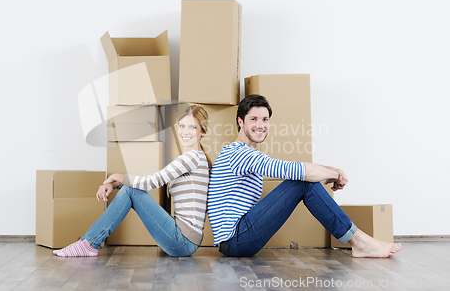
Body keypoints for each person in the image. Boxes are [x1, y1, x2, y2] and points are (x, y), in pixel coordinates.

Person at [207, 94, 402, 258]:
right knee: (303, 183)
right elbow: (297, 171)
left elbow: (294, 169)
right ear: (241, 122)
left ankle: (359, 241)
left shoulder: (244, 154)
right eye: (254, 119)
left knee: (302, 180)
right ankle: (359, 241)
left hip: (238, 239)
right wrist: (334, 173)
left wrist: (330, 169)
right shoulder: (238, 154)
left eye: (265, 119)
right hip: (236, 239)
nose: (261, 125)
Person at [54, 105, 211, 257]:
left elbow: (150, 183)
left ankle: (88, 244)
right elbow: (147, 182)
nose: (185, 131)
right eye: (182, 125)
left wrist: (116, 175)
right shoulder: (194, 159)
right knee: (130, 189)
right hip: (183, 241)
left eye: (192, 127)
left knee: (131, 190)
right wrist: (116, 184)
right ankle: (88, 243)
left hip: (182, 241)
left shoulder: (191, 158)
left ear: (202, 131)